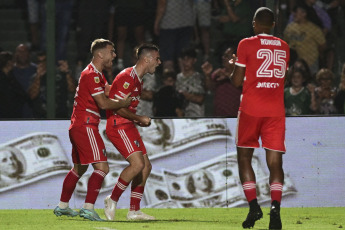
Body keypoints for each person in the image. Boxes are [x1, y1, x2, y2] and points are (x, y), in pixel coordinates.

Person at [53, 39, 132, 221]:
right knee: (102, 167)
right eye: (111, 52)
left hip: (78, 125)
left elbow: (108, 91)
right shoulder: (92, 75)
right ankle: (88, 208)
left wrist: (128, 90)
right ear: (100, 54)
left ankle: (63, 206)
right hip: (86, 125)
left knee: (79, 169)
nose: (114, 55)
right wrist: (123, 103)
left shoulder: (95, 74)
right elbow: (104, 103)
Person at [230, 7, 290, 229]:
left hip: (251, 109)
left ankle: (254, 206)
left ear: (254, 23)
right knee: (275, 162)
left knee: (244, 156)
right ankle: (275, 207)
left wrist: (232, 67)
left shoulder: (246, 44)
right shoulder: (285, 47)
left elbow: (236, 82)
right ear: (273, 24)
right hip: (275, 110)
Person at [103, 44, 161, 221]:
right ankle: (111, 199)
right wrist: (139, 118)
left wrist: (136, 120)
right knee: (137, 165)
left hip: (127, 125)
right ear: (147, 59)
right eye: (157, 59)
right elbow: (116, 107)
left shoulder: (138, 79)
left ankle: (134, 211)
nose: (159, 62)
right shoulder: (127, 77)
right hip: (118, 125)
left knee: (146, 167)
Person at [28, 52, 76, 118]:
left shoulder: (61, 74)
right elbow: (32, 96)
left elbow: (72, 89)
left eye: (44, 61)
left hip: (60, 117)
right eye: (39, 62)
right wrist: (38, 76)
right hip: (40, 117)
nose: (42, 64)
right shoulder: (34, 78)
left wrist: (67, 72)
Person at [283, 4, 326, 75]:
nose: (294, 14)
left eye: (296, 12)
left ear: (304, 13)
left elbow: (323, 45)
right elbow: (285, 43)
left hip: (310, 63)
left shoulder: (314, 29)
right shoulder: (289, 27)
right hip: (293, 64)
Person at [154, 0, 194, 71]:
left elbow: (162, 5)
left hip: (169, 22)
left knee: (168, 57)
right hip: (187, 21)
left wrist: (157, 23)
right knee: (183, 56)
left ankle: (169, 79)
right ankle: (185, 79)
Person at [202, 47, 241, 117]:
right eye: (223, 56)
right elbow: (209, 87)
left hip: (238, 117)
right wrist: (207, 75)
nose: (223, 58)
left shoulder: (242, 73)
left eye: (227, 56)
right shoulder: (218, 73)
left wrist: (228, 76)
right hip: (219, 117)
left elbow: (245, 86)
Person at [175, 48, 206, 117]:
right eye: (184, 59)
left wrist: (184, 95)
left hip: (197, 116)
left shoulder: (198, 77)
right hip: (182, 117)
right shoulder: (178, 77)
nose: (185, 62)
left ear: (194, 60)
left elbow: (200, 99)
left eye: (188, 59)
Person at [0, 51, 30, 118]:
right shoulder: (3, 79)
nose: (14, 63)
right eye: (12, 61)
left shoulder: (11, 77)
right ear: (8, 63)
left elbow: (22, 94)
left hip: (14, 114)